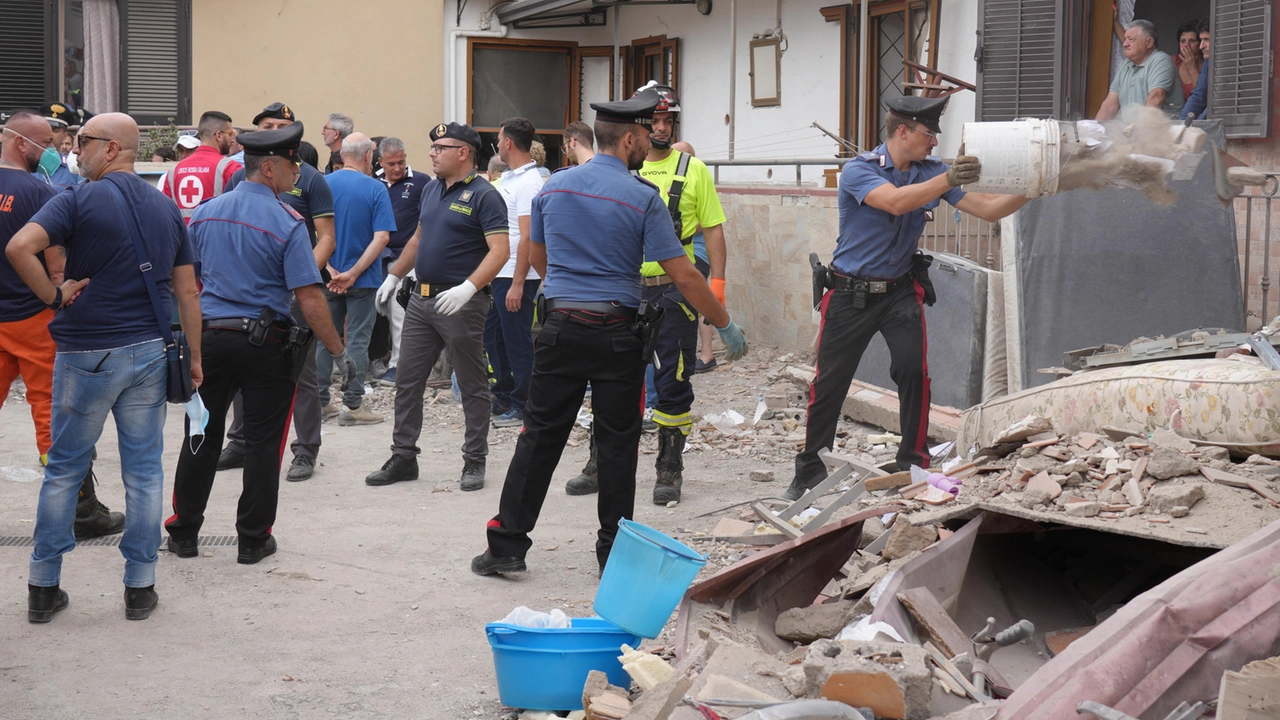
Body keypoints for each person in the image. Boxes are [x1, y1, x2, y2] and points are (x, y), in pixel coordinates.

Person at [473, 90, 748, 577]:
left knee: (538, 437)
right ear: (628, 138)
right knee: (618, 443)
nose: (650, 142)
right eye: (645, 135)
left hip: (560, 327)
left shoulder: (552, 189)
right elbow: (683, 275)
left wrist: (565, 285)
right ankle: (612, 556)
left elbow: (537, 256)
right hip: (618, 331)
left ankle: (507, 546)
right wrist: (723, 323)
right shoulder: (643, 196)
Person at [8, 112, 202, 622]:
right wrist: (196, 358)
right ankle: (140, 587)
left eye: (84, 143)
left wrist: (53, 295)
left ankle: (43, 586)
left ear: (111, 148)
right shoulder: (165, 207)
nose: (74, 151)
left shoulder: (74, 198)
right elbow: (187, 291)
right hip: (150, 352)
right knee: (143, 471)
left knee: (65, 470)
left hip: (86, 351)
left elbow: (18, 247)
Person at [787, 95, 1030, 501]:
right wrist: (949, 180)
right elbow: (896, 203)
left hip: (899, 292)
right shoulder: (859, 171)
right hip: (850, 294)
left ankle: (913, 466)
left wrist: (1035, 185)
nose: (935, 141)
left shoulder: (932, 171)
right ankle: (809, 469)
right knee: (830, 383)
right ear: (903, 131)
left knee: (912, 374)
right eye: (928, 133)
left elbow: (989, 209)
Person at [165, 122, 351, 566]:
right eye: (291, 164)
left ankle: (184, 531)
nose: (297, 172)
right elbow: (308, 295)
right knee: (265, 443)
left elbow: (188, 283)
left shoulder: (205, 213)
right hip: (267, 343)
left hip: (210, 339)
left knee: (200, 435)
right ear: (268, 168)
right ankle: (252, 539)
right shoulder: (287, 222)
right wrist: (338, 351)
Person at [566, 82, 730, 506]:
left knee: (673, 380)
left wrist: (718, 292)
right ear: (636, 128)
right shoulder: (619, 168)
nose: (659, 127)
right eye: (652, 120)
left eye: (666, 120)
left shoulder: (694, 171)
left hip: (672, 292)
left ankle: (668, 469)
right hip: (621, 290)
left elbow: (713, 233)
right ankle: (599, 462)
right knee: (609, 378)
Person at [0, 111, 124, 541]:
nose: (51, 154)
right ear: (20, 143)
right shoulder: (38, 190)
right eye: (43, 146)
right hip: (32, 316)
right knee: (53, 416)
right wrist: (60, 295)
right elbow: (55, 264)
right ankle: (81, 510)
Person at [369, 122, 509, 490]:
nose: (431, 153)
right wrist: (393, 277)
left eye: (440, 147)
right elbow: (418, 238)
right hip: (421, 298)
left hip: (460, 303)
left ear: (463, 152)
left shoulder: (484, 195)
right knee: (407, 380)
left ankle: (474, 460)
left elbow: (500, 251)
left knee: (473, 383)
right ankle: (403, 457)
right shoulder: (431, 189)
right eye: (432, 148)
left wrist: (468, 287)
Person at [217, 102, 338, 482]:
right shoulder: (241, 177)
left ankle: (305, 450)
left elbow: (327, 239)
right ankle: (239, 442)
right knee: (242, 366)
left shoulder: (311, 179)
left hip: (294, 290)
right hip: (253, 293)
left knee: (301, 374)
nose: (274, 130)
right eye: (268, 125)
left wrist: (298, 277)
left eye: (281, 126)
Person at [318, 133, 395, 426]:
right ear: (367, 157)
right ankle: (353, 405)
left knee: (325, 339)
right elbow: (382, 237)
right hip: (363, 280)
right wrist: (355, 273)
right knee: (358, 340)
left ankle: (321, 402)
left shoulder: (323, 184)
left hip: (328, 276)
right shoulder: (376, 188)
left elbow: (313, 231)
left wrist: (330, 268)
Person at [485, 118, 544, 429]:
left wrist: (518, 283)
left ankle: (524, 404)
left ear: (508, 142)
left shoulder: (530, 183)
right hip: (499, 272)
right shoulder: (509, 179)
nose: (496, 144)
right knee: (495, 337)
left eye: (498, 138)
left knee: (517, 341)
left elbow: (528, 236)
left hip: (516, 276)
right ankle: (506, 394)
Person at [374, 137, 423, 389]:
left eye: (401, 162)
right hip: (374, 258)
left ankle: (398, 366)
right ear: (380, 161)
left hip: (406, 259)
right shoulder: (373, 183)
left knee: (400, 312)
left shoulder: (421, 182)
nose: (397, 168)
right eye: (391, 163)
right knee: (377, 314)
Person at [161, 110, 242, 223]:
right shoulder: (231, 168)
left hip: (182, 239)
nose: (232, 139)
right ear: (219, 135)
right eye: (230, 134)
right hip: (215, 238)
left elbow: (165, 212)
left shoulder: (173, 172)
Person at [1096, 19, 1181, 119]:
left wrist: (1140, 132)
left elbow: (1156, 98)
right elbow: (1110, 105)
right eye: (1124, 40)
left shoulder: (1160, 60)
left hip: (1158, 131)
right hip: (1130, 131)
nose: (1125, 44)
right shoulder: (1125, 64)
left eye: (1130, 39)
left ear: (1149, 42)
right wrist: (1095, 131)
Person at [34, 103, 82, 190]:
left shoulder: (73, 168)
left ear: (64, 136)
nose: (49, 134)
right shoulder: (28, 164)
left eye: (55, 130)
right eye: (46, 129)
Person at [1179, 19, 1211, 121]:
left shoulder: (1233, 61)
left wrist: (1200, 123)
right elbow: (1199, 95)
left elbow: (1219, 101)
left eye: (1206, 39)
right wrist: (1181, 125)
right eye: (1201, 40)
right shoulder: (1209, 61)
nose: (1202, 46)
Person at [1173, 21, 1203, 100]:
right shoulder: (1173, 62)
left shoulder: (1207, 65)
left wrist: (1192, 69)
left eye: (1192, 41)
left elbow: (1202, 95)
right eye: (1183, 41)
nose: (1186, 45)